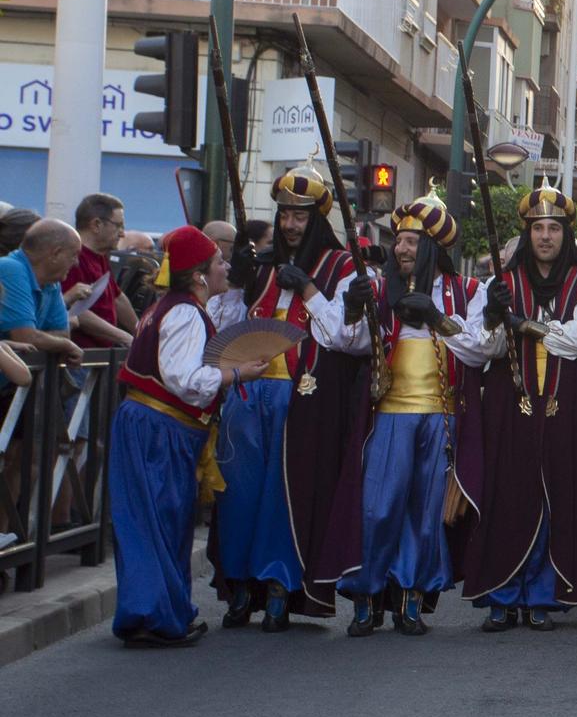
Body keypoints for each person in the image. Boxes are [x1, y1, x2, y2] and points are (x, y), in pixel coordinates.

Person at [455, 181, 577, 630]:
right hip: (510, 408)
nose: (546, 237)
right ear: (527, 233)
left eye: (554, 228)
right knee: (506, 496)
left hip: (568, 408)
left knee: (560, 497)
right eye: (538, 228)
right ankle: (502, 592)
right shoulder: (500, 284)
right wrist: (497, 318)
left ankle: (542, 595)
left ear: (567, 234)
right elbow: (483, 350)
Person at [330, 191, 504, 636]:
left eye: (411, 242)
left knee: (424, 514)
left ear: (432, 249)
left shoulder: (466, 292)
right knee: (378, 508)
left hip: (441, 419)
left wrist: (438, 319)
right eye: (399, 240)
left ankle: (410, 599)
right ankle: (366, 598)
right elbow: (346, 343)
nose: (402, 249)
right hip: (387, 417)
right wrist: (354, 308)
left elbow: (485, 348)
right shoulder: (377, 289)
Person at [209, 166, 369, 632]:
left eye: (300, 216)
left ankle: (279, 586)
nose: (291, 225)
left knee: (286, 496)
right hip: (246, 394)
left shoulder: (343, 269)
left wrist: (307, 288)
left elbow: (346, 337)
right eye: (284, 215)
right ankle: (239, 588)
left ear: (316, 219)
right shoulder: (259, 264)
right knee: (237, 493)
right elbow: (222, 330)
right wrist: (236, 283)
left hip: (302, 397)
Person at [107, 227, 256, 646]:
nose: (226, 266)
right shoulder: (186, 313)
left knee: (150, 521)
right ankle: (154, 616)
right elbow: (184, 380)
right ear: (199, 275)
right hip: (161, 428)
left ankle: (157, 610)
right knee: (158, 522)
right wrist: (237, 373)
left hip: (151, 424)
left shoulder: (166, 306)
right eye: (219, 261)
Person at [1, 218, 83, 366]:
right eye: (74, 254)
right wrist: (65, 345)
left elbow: (64, 334)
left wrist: (47, 339)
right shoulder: (11, 269)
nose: (76, 262)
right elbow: (25, 337)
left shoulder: (52, 281)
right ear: (56, 254)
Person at [64, 193, 136, 349]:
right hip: (82, 358)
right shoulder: (74, 258)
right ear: (96, 224)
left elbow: (117, 298)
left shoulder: (100, 255)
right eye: (119, 225)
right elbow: (77, 311)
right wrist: (125, 337)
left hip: (99, 356)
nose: (123, 233)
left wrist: (140, 332)